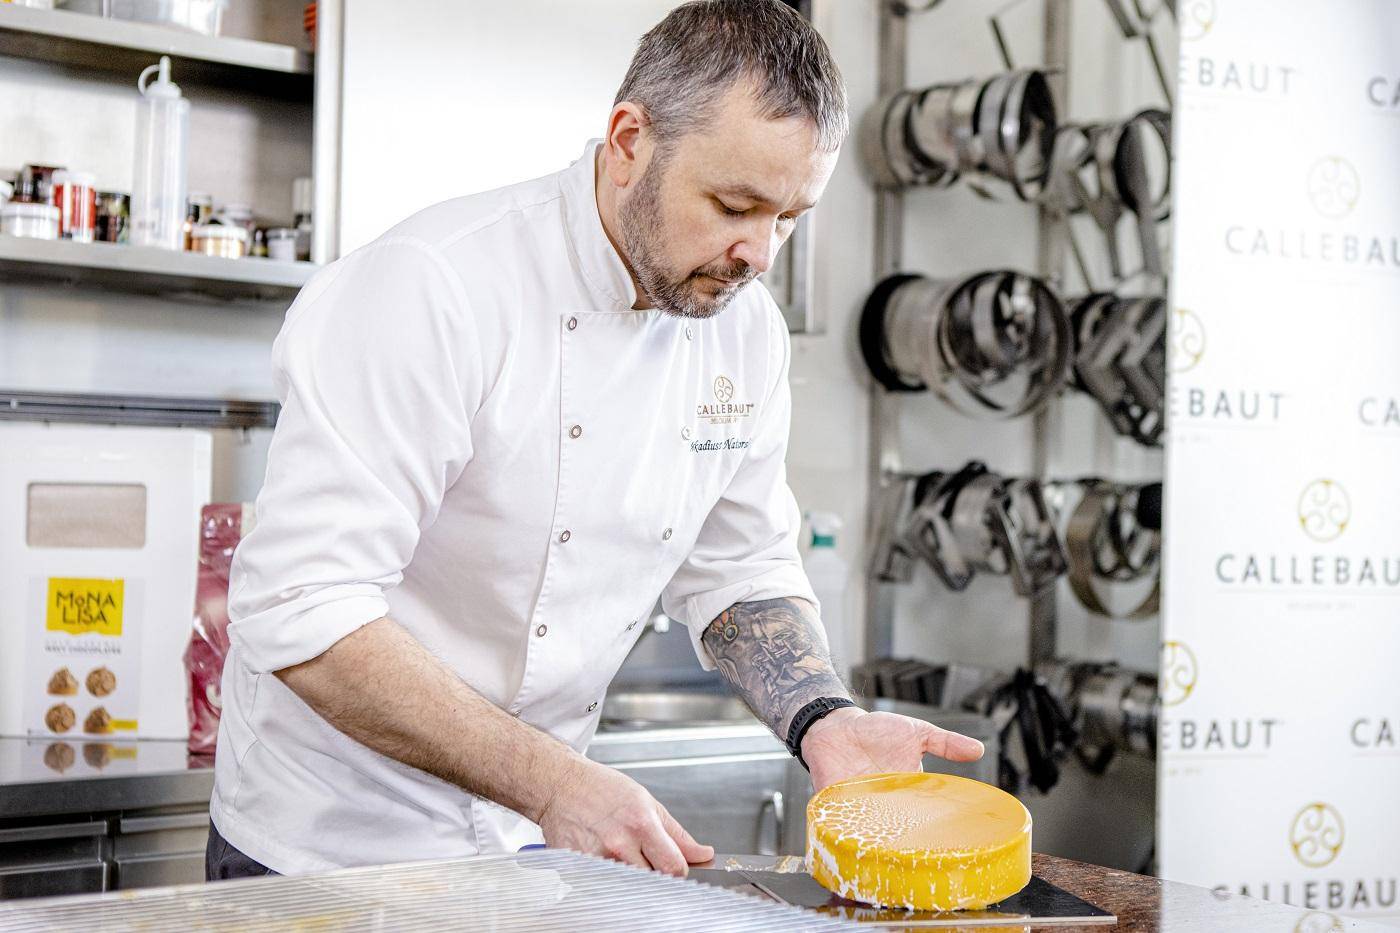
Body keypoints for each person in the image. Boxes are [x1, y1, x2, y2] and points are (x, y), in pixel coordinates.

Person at [206, 0, 983, 882]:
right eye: (735, 205)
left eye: (790, 217)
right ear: (628, 143)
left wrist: (823, 716)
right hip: (325, 849)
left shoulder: (744, 330)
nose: (760, 254)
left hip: (525, 849)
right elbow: (303, 603)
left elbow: (740, 569)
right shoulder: (435, 288)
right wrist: (554, 782)